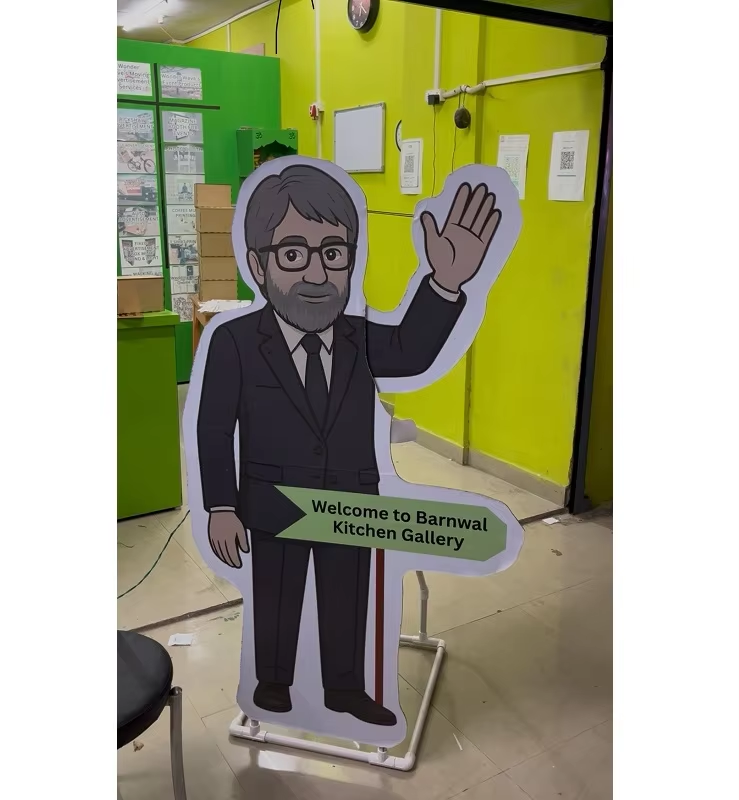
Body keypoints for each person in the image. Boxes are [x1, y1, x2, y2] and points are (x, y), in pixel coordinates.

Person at [196, 164, 502, 725]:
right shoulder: (234, 343)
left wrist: (445, 284)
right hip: (274, 502)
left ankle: (345, 689)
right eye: (294, 254)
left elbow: (412, 350)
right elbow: (213, 427)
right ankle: (273, 684)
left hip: (349, 501)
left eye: (333, 253)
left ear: (351, 260)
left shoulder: (358, 339)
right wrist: (221, 505)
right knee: (276, 595)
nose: (317, 273)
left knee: (347, 596)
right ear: (259, 265)